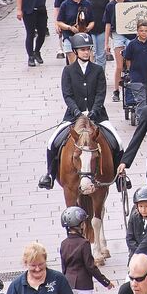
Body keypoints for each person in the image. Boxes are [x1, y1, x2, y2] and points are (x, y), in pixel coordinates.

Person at [38, 32, 116, 189]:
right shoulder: (68, 71)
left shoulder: (98, 70)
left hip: (97, 115)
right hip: (74, 116)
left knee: (117, 142)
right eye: (83, 50)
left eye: (88, 49)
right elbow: (67, 95)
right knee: (52, 142)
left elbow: (101, 93)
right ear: (75, 51)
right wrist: (77, 112)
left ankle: (120, 177)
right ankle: (50, 175)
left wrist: (94, 110)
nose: (86, 52)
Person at [60, 206, 114, 294]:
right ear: (80, 226)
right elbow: (90, 267)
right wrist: (105, 282)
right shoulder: (84, 243)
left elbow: (63, 267)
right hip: (84, 283)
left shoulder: (64, 243)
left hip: (69, 283)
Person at [124, 19, 147, 121]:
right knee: (141, 100)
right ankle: (142, 121)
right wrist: (129, 71)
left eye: (146, 31)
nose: (144, 33)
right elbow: (128, 59)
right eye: (141, 30)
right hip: (136, 77)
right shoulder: (132, 44)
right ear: (137, 31)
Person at [16, 0, 47, 67]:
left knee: (42, 33)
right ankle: (30, 56)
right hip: (30, 10)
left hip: (41, 10)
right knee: (30, 34)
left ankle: (37, 51)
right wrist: (19, 10)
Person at [57, 0, 94, 64]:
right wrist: (69, 28)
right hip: (70, 36)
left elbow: (92, 21)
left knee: (88, 63)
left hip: (85, 37)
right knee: (73, 65)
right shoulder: (65, 4)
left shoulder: (87, 4)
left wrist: (87, 28)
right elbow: (59, 21)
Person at [82, 0, 108, 69]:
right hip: (89, 30)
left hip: (101, 28)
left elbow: (107, 11)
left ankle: (101, 74)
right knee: (91, 53)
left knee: (101, 54)